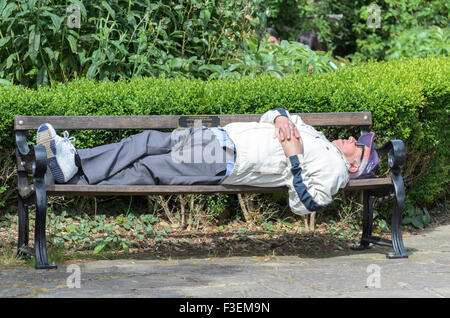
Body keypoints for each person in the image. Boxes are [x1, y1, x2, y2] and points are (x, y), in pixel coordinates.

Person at [36, 108, 379, 216]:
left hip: (225, 159)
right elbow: (277, 113)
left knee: (146, 164)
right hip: (221, 138)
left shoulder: (334, 172)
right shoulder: (320, 139)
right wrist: (278, 120)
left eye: (358, 146)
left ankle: (74, 169)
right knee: (145, 147)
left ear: (354, 166)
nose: (352, 139)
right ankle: (73, 168)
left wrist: (294, 160)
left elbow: (305, 204)